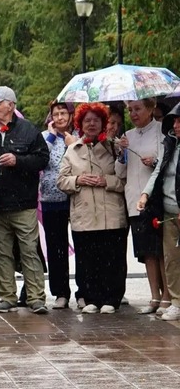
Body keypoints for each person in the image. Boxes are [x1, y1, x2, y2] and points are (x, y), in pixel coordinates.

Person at [0, 86, 49, 314]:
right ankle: (7, 297)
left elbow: (43, 159)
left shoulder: (29, 130)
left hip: (24, 204)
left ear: (11, 105)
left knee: (29, 251)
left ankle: (36, 298)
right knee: (0, 252)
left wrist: (18, 160)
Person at [57, 103, 127, 313]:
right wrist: (78, 180)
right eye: (87, 120)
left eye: (96, 120)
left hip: (111, 213)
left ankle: (111, 299)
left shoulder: (115, 147)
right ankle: (91, 298)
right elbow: (61, 181)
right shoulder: (72, 150)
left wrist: (107, 181)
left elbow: (125, 180)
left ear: (103, 123)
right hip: (84, 214)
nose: (92, 124)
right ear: (80, 124)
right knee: (87, 259)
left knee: (112, 258)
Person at [116, 98, 167, 314]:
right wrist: (122, 154)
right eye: (130, 110)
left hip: (156, 199)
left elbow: (166, 163)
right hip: (134, 200)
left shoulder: (161, 132)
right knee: (146, 252)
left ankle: (167, 296)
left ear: (150, 108)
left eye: (137, 109)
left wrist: (154, 162)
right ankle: (154, 296)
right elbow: (120, 172)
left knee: (161, 250)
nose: (133, 114)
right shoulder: (127, 136)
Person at [138, 102, 180, 321]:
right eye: (174, 121)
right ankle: (177, 301)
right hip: (168, 211)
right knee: (171, 259)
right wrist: (145, 194)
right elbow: (158, 172)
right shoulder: (169, 143)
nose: (176, 125)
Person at [40, 101, 78, 309]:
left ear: (71, 115)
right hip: (51, 199)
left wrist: (72, 143)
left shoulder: (79, 136)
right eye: (56, 114)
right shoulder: (46, 137)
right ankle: (60, 292)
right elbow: (41, 160)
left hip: (77, 198)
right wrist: (52, 138)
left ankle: (84, 291)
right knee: (56, 248)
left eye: (64, 113)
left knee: (82, 245)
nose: (60, 117)